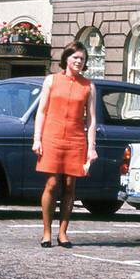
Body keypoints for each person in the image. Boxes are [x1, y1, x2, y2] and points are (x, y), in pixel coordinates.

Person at [31, 41, 97, 248]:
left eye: (82, 59)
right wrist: (37, 138)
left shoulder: (88, 86)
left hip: (76, 139)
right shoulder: (51, 80)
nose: (79, 61)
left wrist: (91, 148)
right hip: (52, 137)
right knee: (51, 184)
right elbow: (41, 111)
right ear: (66, 58)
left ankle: (63, 233)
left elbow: (91, 119)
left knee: (70, 186)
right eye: (75, 57)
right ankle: (46, 232)